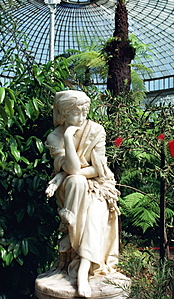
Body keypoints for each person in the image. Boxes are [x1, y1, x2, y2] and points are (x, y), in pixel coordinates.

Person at [45, 90, 120, 298]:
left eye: (85, 111)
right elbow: (69, 169)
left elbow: (98, 169)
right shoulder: (54, 137)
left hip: (98, 185)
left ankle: (83, 270)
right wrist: (68, 137)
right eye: (77, 113)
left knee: (96, 214)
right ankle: (70, 218)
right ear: (63, 113)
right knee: (76, 181)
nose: (83, 117)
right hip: (70, 189)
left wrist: (76, 172)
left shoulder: (96, 130)